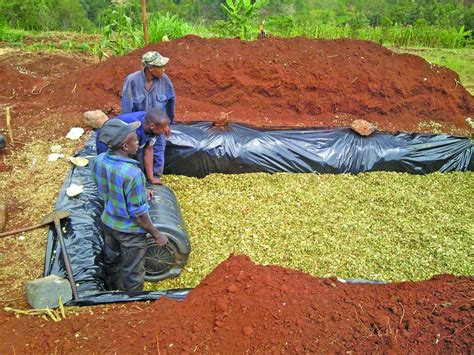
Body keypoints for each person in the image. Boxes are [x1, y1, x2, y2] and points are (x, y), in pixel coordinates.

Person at [91, 119, 168, 291]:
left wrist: (137, 192)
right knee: (133, 271)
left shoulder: (100, 160)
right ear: (125, 147)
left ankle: (113, 292)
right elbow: (139, 215)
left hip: (108, 222)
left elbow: (102, 186)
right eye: (135, 140)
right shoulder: (133, 174)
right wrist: (157, 234)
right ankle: (132, 304)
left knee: (113, 260)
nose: (138, 142)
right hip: (129, 231)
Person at [121, 51, 175, 182]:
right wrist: (129, 132)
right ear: (150, 68)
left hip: (158, 127)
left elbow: (170, 102)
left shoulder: (165, 80)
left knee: (157, 151)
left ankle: (155, 178)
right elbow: (127, 108)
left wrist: (167, 124)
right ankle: (138, 181)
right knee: (137, 154)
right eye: (161, 67)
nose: (164, 69)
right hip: (139, 128)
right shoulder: (132, 81)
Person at [96, 109, 169, 185]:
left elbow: (149, 149)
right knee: (112, 170)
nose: (166, 130)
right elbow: (126, 158)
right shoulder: (134, 132)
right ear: (152, 126)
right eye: (163, 128)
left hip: (126, 144)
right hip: (107, 141)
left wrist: (151, 178)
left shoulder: (152, 123)